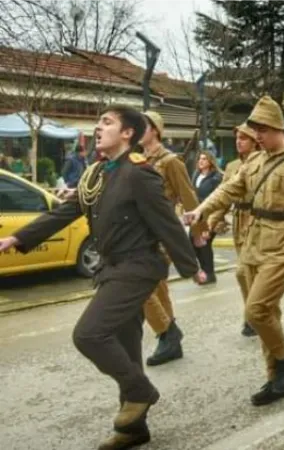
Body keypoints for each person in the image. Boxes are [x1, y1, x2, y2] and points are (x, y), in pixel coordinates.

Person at [0, 105, 204, 449]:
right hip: (111, 268)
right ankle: (133, 429)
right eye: (98, 122)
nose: (98, 127)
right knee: (126, 347)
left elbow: (165, 221)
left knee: (89, 334)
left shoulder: (140, 173)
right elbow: (67, 210)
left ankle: (142, 392)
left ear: (128, 134)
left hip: (137, 267)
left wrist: (191, 265)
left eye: (107, 122)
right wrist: (19, 238)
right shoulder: (96, 173)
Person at [185, 96, 284, 407]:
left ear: (278, 129)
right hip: (251, 243)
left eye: (263, 128)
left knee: (256, 311)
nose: (257, 134)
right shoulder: (254, 162)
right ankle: (276, 379)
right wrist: (201, 210)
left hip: (282, 247)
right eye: (254, 128)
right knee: (266, 315)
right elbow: (229, 190)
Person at [139, 111, 207, 367]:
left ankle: (167, 332)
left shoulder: (170, 161)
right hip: (141, 231)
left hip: (159, 232)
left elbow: (189, 198)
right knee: (157, 287)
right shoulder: (137, 160)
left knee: (140, 286)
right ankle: (170, 341)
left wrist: (199, 232)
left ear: (155, 130)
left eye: (142, 126)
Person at [208, 123, 261, 337]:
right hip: (239, 219)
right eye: (237, 138)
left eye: (244, 138)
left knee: (245, 271)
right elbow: (224, 195)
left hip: (257, 219)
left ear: (255, 141)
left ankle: (256, 315)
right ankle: (254, 314)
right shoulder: (231, 166)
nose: (239, 142)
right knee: (245, 273)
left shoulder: (264, 163)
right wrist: (212, 220)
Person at [191, 151, 223, 283]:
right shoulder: (196, 175)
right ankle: (205, 270)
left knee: (205, 244)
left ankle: (209, 274)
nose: (201, 161)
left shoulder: (216, 177)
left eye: (204, 159)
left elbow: (220, 198)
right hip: (196, 215)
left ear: (210, 161)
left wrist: (215, 219)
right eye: (199, 159)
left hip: (210, 215)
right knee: (193, 243)